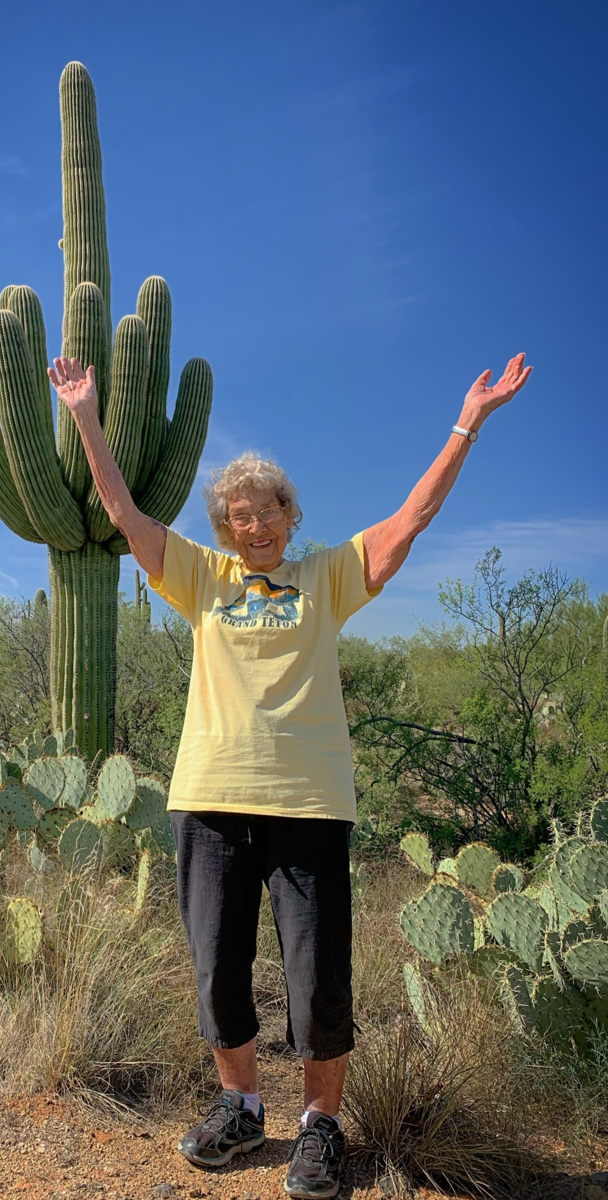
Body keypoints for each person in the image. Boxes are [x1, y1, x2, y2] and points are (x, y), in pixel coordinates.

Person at [49, 352, 532, 1199]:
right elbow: (123, 515)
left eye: (267, 512)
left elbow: (409, 520)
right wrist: (86, 416)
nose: (254, 527)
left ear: (289, 516)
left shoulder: (326, 578)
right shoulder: (201, 578)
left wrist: (468, 422)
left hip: (308, 805)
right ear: (226, 526)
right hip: (206, 799)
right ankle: (240, 1105)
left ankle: (321, 1126)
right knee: (217, 969)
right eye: (238, 516)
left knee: (317, 976)